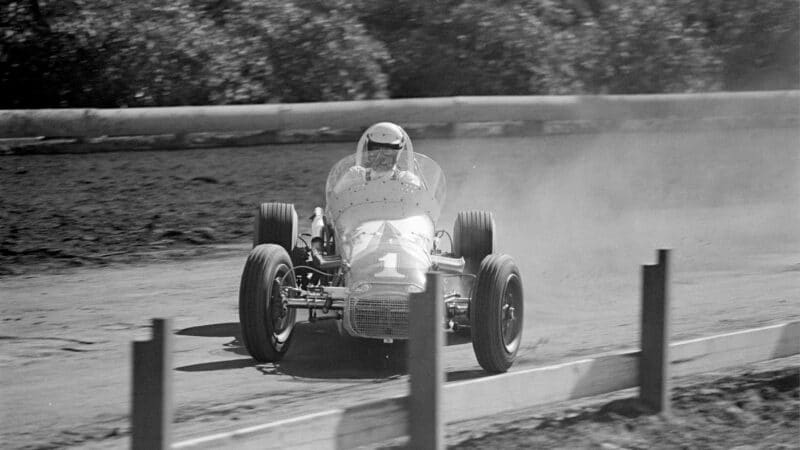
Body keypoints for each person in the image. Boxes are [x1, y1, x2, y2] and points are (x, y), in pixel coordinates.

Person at [333, 122, 422, 192]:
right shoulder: (355, 175)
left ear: (397, 153)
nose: (380, 156)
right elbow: (335, 202)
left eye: (387, 150)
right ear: (369, 150)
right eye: (376, 149)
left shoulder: (407, 180)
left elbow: (419, 206)